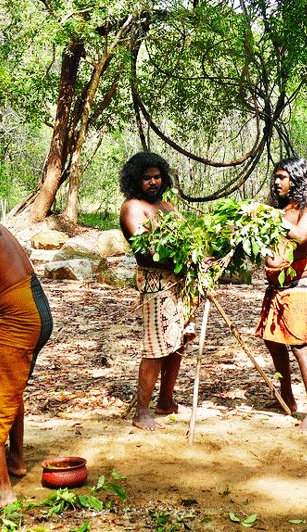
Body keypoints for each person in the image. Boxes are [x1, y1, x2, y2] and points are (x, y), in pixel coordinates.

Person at [0, 195, 53, 519]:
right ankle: (15, 460)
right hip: (29, 307)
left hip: (19, 315)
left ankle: (0, 492)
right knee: (7, 393)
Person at [255, 157, 307, 430]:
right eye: (275, 177)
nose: (277, 182)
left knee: (299, 345)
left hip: (298, 286)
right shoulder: (279, 207)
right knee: (273, 341)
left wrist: (271, 217)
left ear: (297, 179)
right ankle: (286, 395)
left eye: (283, 177)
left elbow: (299, 235)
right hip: (276, 287)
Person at [120, 152, 192, 431]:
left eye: (156, 176)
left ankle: (166, 400)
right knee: (156, 347)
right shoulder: (132, 208)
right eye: (146, 177)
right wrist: (182, 260)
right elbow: (147, 250)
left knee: (179, 340)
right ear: (135, 180)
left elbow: (187, 240)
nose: (152, 182)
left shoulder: (168, 207)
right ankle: (141, 411)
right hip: (155, 283)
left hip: (181, 282)